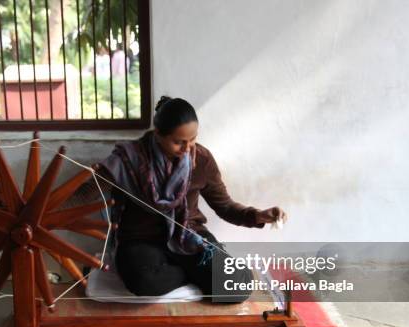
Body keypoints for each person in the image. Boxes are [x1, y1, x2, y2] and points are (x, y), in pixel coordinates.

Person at [97, 96, 286, 302]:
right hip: (141, 241)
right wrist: (62, 202)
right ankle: (192, 273)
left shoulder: (202, 160)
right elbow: (88, 191)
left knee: (238, 284)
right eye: (178, 142)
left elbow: (224, 206)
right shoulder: (128, 160)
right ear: (158, 134)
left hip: (189, 236)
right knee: (144, 282)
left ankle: (188, 269)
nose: (188, 148)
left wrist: (258, 215)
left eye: (193, 139)